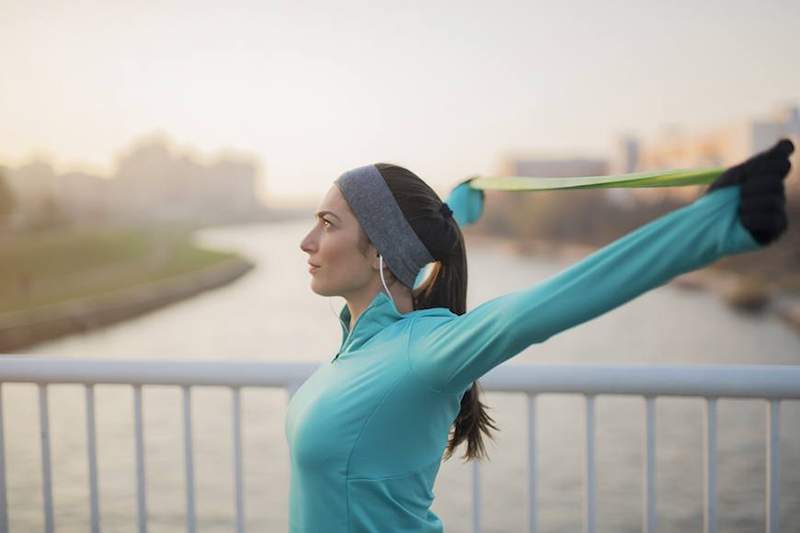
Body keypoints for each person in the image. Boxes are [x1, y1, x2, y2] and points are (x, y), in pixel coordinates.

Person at [288, 139, 794, 532]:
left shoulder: (425, 352)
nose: (307, 242)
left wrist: (718, 223)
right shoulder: (362, 342)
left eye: (327, 224)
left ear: (380, 252)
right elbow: (411, 249)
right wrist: (455, 209)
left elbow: (560, 298)